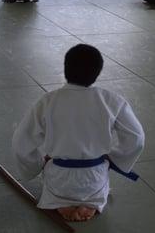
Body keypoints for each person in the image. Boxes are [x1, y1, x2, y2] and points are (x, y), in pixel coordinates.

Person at [12, 44, 145, 222]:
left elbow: (21, 142)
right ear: (97, 73)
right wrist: (114, 158)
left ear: (66, 69)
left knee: (54, 185)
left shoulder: (48, 101)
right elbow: (136, 139)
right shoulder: (112, 101)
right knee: (98, 186)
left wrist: (37, 164)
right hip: (94, 177)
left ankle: (60, 201)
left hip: (59, 177)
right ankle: (92, 202)